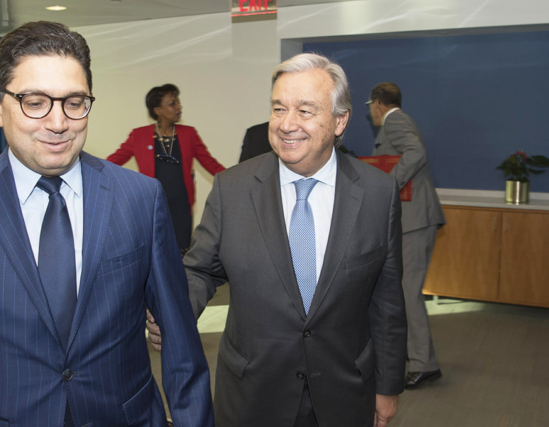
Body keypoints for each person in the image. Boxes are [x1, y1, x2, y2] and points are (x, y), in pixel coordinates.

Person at [0, 21, 213, 427]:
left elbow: (179, 340)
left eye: (74, 102)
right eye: (34, 102)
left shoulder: (140, 198)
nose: (58, 122)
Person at [149, 53, 407, 426]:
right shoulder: (232, 189)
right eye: (278, 108)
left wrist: (387, 386)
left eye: (305, 110)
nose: (287, 124)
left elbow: (388, 300)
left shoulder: (378, 193)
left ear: (340, 120)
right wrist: (173, 312)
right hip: (253, 393)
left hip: (345, 392)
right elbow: (200, 270)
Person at [368, 82, 446, 389]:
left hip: (415, 221)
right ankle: (412, 354)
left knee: (408, 291)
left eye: (371, 107)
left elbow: (416, 153)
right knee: (402, 291)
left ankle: (424, 363)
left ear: (378, 103)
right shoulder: (397, 121)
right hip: (410, 221)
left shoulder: (395, 120)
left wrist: (388, 184)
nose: (371, 113)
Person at [107, 84, 225, 255]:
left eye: (178, 102)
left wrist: (236, 178)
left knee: (181, 250)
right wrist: (89, 170)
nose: (179, 107)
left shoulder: (189, 134)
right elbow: (114, 161)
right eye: (172, 103)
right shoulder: (139, 135)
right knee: (154, 249)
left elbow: (210, 163)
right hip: (152, 203)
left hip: (181, 203)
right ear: (158, 110)